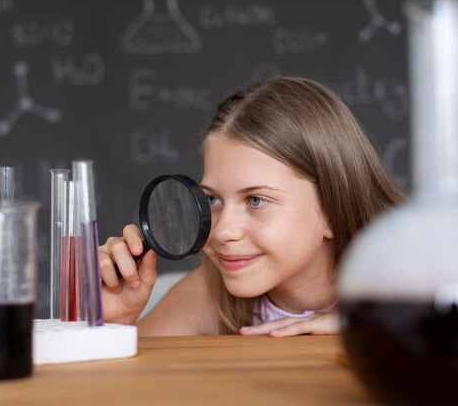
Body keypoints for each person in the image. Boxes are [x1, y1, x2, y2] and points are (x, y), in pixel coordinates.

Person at [98, 76, 405, 336]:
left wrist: (377, 326)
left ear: (331, 208)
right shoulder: (210, 292)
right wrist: (116, 325)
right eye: (213, 199)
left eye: (256, 200)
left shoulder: (410, 282)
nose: (222, 232)